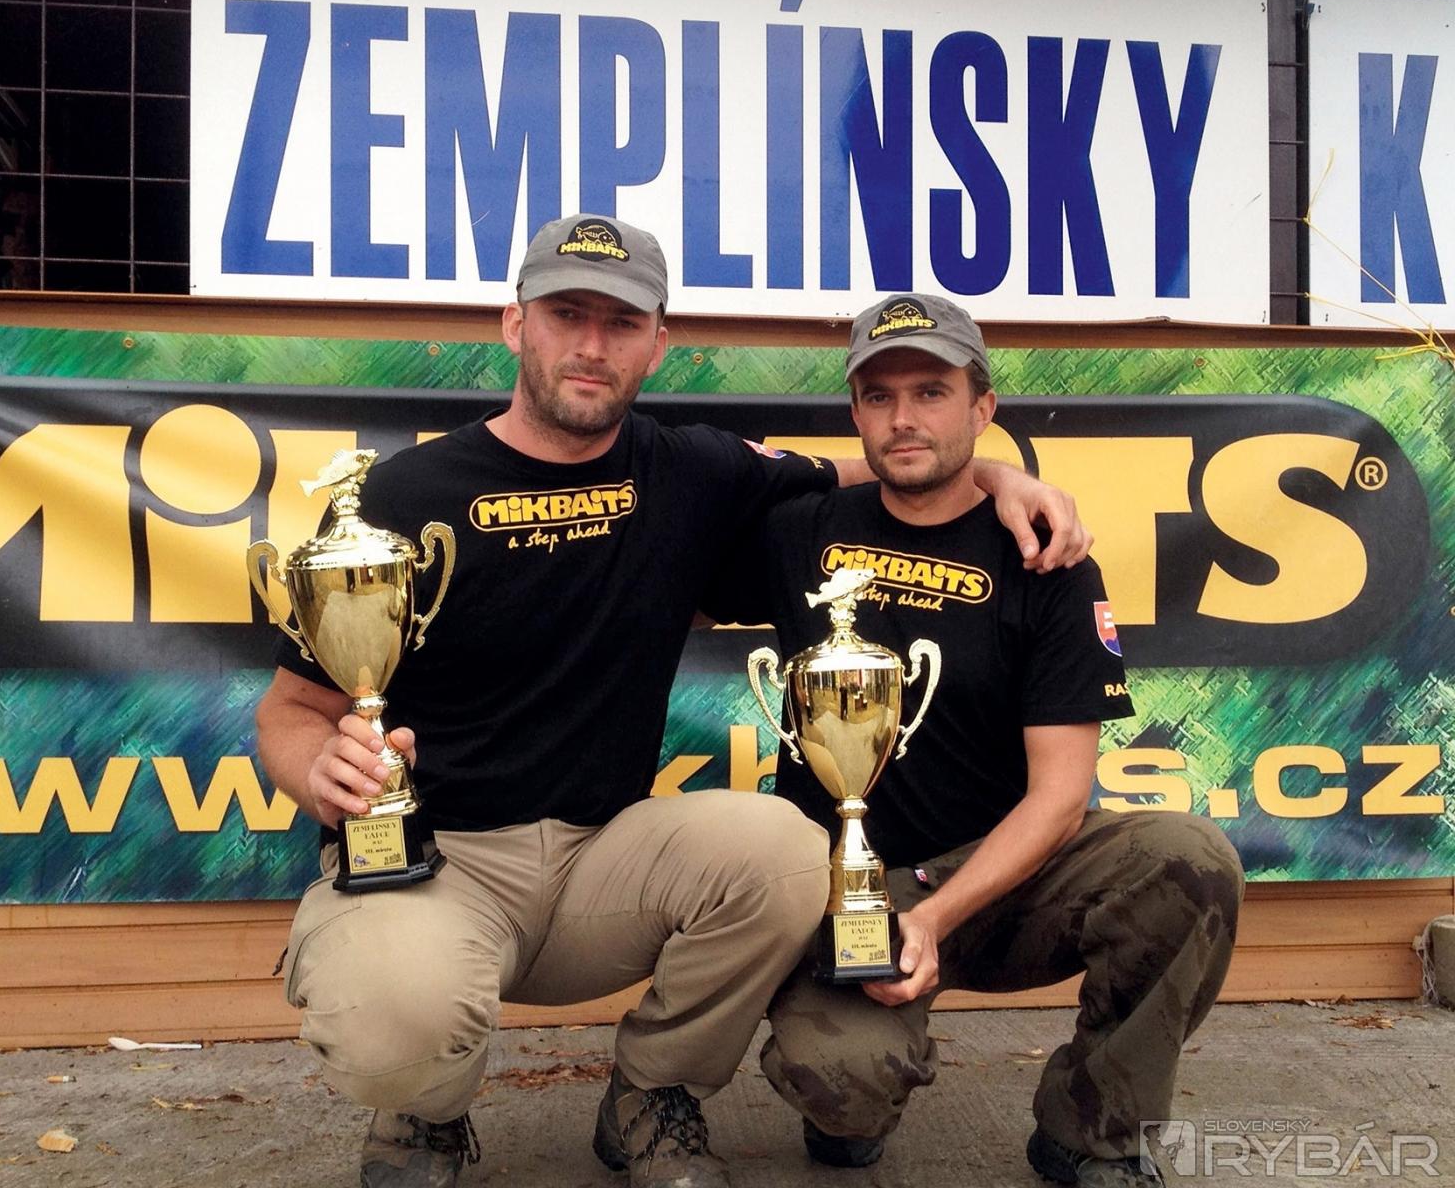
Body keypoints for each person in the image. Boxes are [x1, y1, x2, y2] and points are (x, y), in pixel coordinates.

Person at [254, 220, 1091, 1188]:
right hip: (439, 861)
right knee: (396, 1016)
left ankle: (652, 1092)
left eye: (621, 323)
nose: (592, 345)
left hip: (603, 859)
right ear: (515, 324)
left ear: (659, 343)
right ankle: (424, 1109)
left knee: (790, 852)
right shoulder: (404, 493)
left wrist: (999, 475)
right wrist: (317, 770)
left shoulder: (693, 470)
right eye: (567, 315)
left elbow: (883, 468)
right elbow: (288, 710)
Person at [705, 293, 1245, 1188]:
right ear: (856, 414)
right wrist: (1001, 472)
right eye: (880, 396)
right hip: (847, 888)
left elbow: (1061, 796)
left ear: (982, 406)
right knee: (839, 1081)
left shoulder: (1046, 559)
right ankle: (857, 1093)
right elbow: (673, 558)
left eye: (931, 392)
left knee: (1189, 859)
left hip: (1004, 880)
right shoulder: (797, 530)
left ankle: (1091, 1128)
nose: (904, 418)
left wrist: (934, 918)